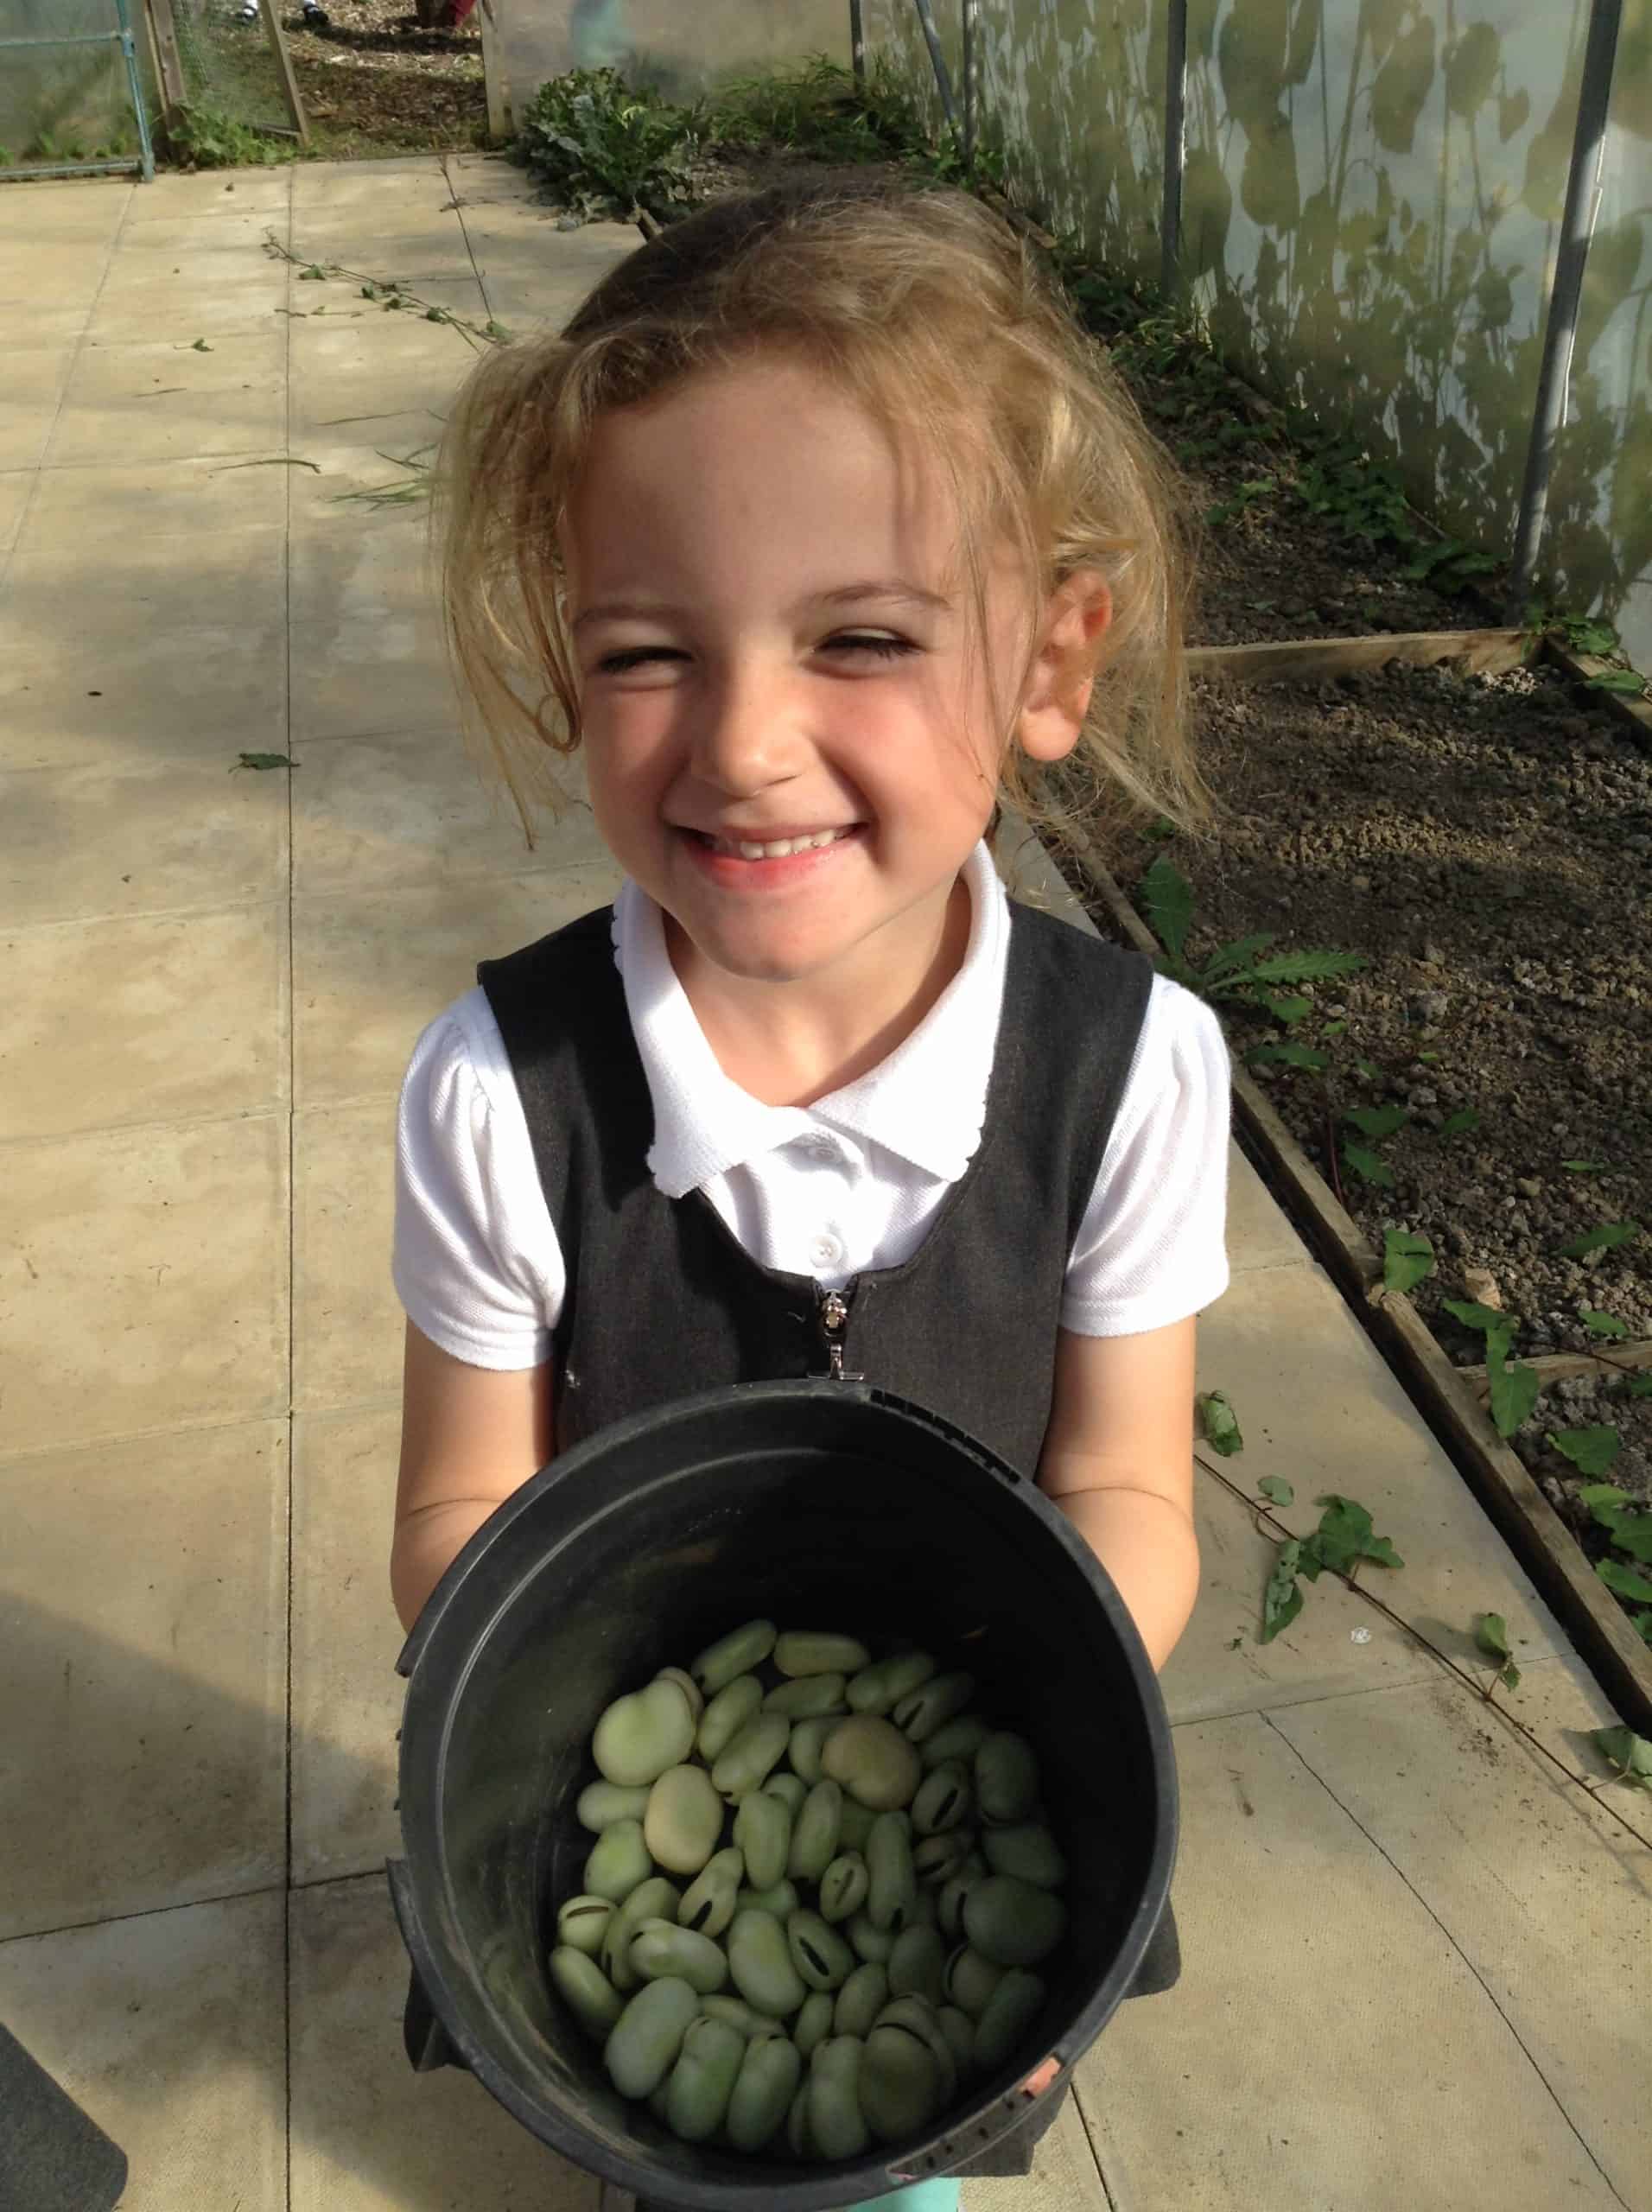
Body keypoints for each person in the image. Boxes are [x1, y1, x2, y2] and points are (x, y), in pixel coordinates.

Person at [390, 174, 1229, 2210]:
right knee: (702, 2128)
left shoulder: (1130, 1070)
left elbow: (1128, 1487)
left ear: (1052, 659)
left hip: (986, 1731)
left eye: (860, 636)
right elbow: (452, 1516)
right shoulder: (502, 1088)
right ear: (563, 669)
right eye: (644, 649)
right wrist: (639, 1714)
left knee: (896, 2148)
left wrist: (987, 1721)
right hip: (643, 1738)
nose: (747, 745)